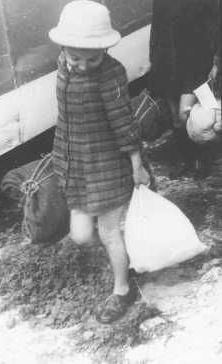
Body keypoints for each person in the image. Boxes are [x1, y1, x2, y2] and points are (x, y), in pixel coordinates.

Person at [49, 0, 150, 324]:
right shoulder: (63, 64)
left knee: (108, 232)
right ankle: (125, 255)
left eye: (91, 59)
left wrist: (137, 164)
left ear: (104, 51)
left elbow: (124, 123)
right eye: (74, 57)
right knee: (80, 233)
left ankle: (123, 289)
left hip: (108, 164)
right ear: (63, 46)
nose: (80, 65)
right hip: (75, 165)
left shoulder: (111, 74)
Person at [149, 0, 219, 179]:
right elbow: (156, 26)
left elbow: (217, 25)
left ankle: (201, 159)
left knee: (186, 114)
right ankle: (186, 160)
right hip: (169, 62)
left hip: (195, 60)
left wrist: (217, 60)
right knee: (176, 118)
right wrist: (154, 59)